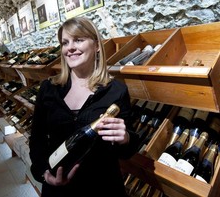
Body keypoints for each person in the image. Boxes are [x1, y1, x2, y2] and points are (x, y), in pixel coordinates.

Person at [29, 16, 139, 197]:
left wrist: (125, 137)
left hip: (102, 187)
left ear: (96, 46)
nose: (70, 47)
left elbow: (127, 150)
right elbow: (37, 139)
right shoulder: (49, 89)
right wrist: (44, 174)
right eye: (65, 42)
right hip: (58, 190)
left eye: (78, 40)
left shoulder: (116, 91)